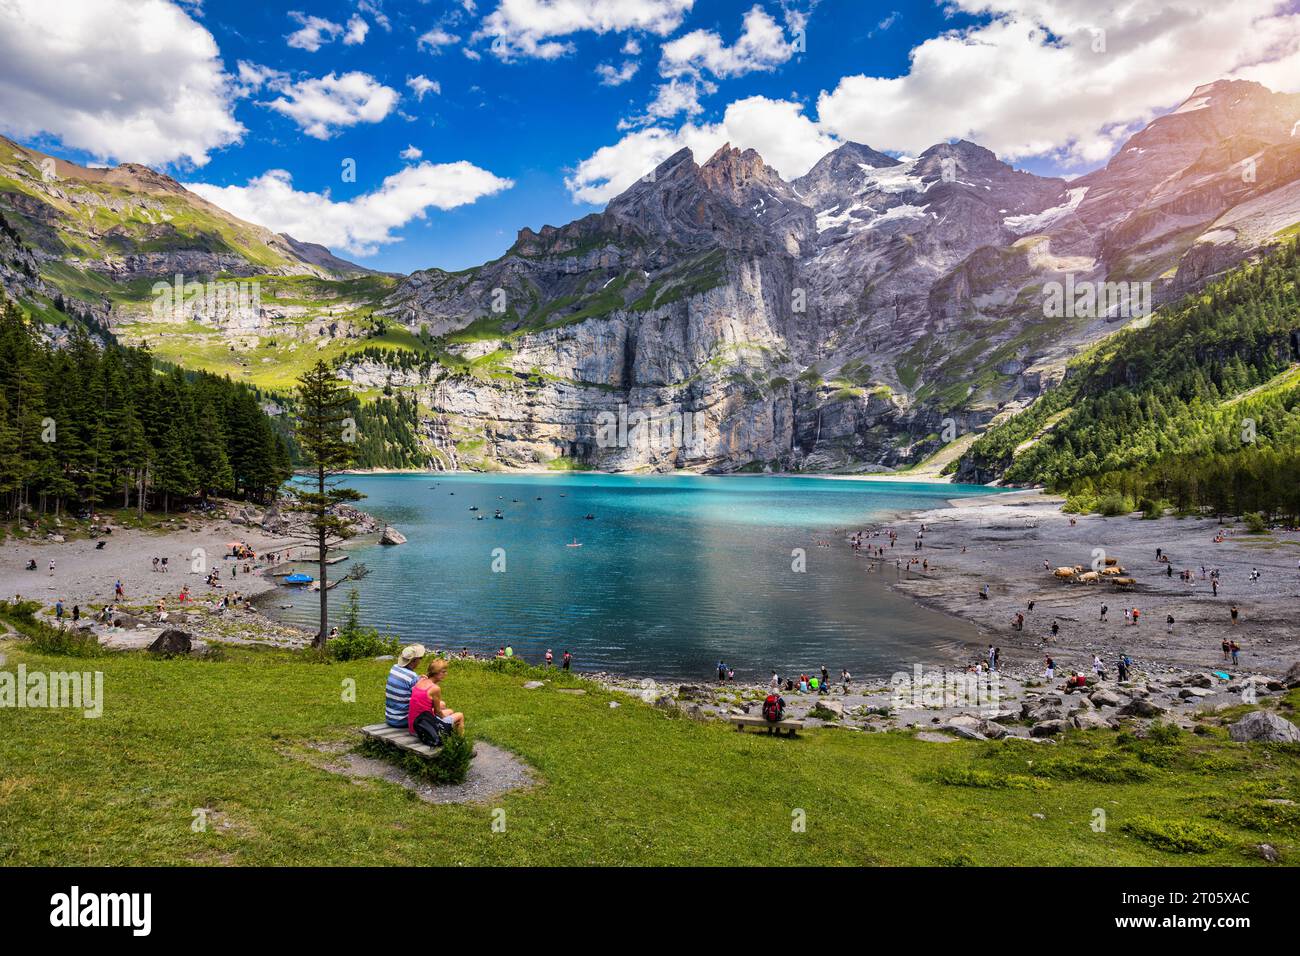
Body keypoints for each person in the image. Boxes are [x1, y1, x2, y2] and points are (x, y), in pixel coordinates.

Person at [409, 658, 464, 737]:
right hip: (423, 729)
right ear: (435, 673)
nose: (446, 674)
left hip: (413, 726)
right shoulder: (435, 688)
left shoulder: (421, 680)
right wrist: (445, 719)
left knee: (450, 711)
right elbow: (437, 712)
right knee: (460, 715)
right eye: (443, 672)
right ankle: (459, 742)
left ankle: (449, 734)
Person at [385, 644, 426, 729]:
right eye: (420, 658)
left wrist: (417, 679)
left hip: (390, 717)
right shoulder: (412, 677)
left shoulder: (394, 668)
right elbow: (421, 700)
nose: (420, 661)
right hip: (402, 720)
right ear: (414, 661)